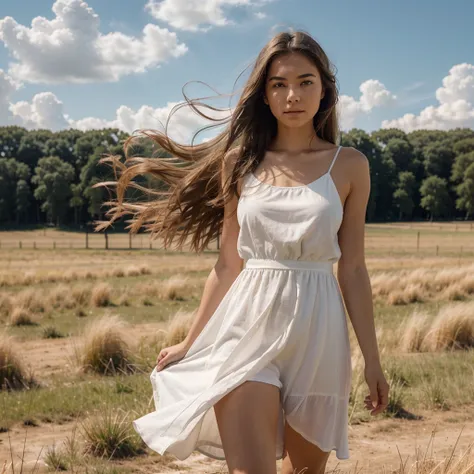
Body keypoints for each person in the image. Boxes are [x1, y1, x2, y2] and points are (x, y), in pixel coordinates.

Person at [95, 29, 389, 474]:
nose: (293, 94)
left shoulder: (349, 165)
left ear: (325, 89)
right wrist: (191, 341)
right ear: (265, 95)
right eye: (278, 83)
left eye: (305, 81)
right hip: (247, 326)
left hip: (319, 334)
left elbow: (352, 269)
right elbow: (228, 262)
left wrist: (373, 361)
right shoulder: (240, 163)